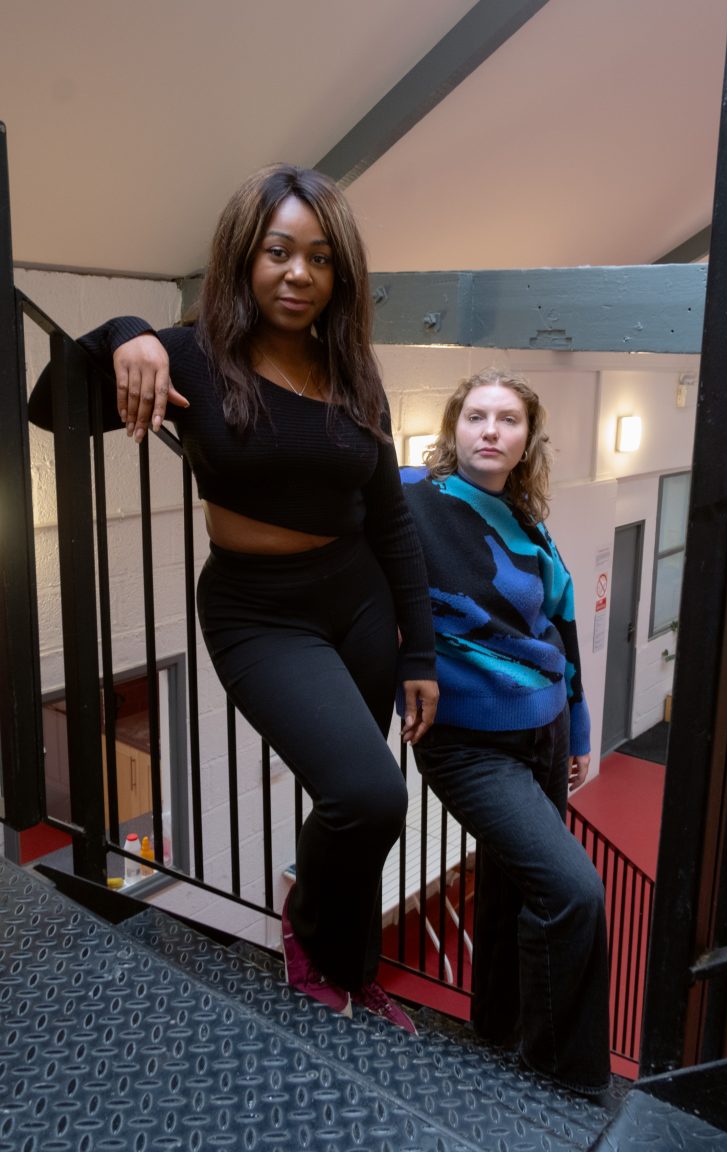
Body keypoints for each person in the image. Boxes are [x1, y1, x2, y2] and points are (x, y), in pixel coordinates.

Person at [29, 163, 438, 1032]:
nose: (299, 273)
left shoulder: (350, 365)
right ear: (243, 257)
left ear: (341, 273)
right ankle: (307, 927)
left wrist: (421, 651)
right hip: (261, 612)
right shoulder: (189, 357)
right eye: (279, 251)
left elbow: (393, 521)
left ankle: (355, 972)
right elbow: (47, 407)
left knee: (351, 808)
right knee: (371, 796)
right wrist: (125, 332)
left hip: (360, 599)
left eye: (321, 258)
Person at [399, 367, 611, 1093]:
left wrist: (580, 729)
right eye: (477, 417)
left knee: (514, 888)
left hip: (545, 730)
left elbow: (563, 627)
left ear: (526, 442)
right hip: (466, 740)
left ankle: (496, 1029)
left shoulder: (528, 523)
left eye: (508, 420)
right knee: (573, 893)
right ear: (453, 429)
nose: (491, 431)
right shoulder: (410, 497)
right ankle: (556, 1074)